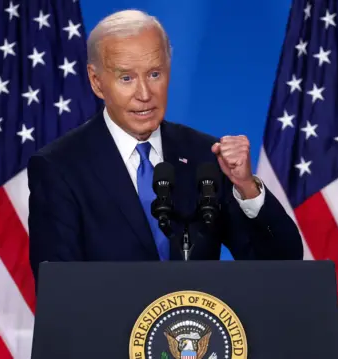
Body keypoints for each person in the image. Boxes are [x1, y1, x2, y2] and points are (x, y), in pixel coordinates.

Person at [27, 9, 303, 285]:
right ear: (97, 82)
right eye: (126, 78)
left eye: (154, 74)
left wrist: (246, 187)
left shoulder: (204, 156)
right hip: (109, 328)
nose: (145, 94)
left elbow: (284, 262)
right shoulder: (60, 167)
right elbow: (58, 291)